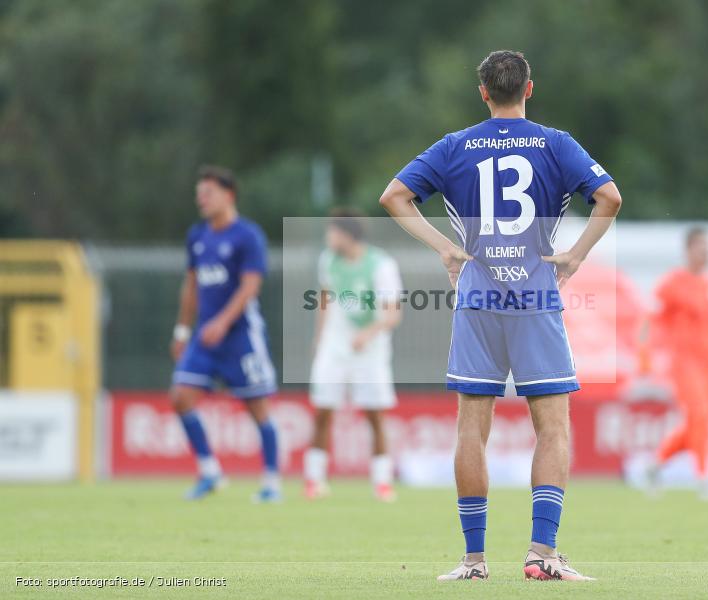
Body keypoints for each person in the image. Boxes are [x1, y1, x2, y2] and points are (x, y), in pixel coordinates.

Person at [379, 50, 621, 581]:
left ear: (483, 92)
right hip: (535, 297)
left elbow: (395, 197)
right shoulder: (556, 144)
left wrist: (446, 248)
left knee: (472, 426)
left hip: (479, 297)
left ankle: (473, 560)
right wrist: (576, 254)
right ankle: (542, 555)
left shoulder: (455, 146)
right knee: (552, 428)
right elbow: (609, 197)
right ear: (529, 89)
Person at [170, 165, 280, 502]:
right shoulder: (198, 236)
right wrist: (183, 328)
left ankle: (271, 483)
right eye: (199, 195)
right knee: (181, 397)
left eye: (208, 193)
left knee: (257, 408)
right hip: (204, 337)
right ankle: (210, 472)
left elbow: (250, 286)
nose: (201, 200)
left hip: (240, 336)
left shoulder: (248, 236)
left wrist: (222, 321)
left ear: (228, 195)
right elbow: (191, 285)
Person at [304, 209, 403, 503]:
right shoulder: (328, 260)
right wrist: (319, 339)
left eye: (332, 231)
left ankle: (382, 483)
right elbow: (325, 299)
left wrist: (368, 334)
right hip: (336, 344)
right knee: (322, 410)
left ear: (347, 235)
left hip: (370, 348)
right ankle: (314, 479)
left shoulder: (381, 265)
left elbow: (393, 313)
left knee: (374, 414)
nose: (328, 237)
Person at [645, 226, 708, 500]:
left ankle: (656, 465)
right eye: (701, 247)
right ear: (688, 250)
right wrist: (644, 355)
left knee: (701, 420)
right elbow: (651, 319)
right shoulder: (672, 283)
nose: (707, 252)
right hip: (683, 362)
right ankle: (704, 479)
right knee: (699, 413)